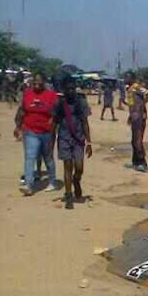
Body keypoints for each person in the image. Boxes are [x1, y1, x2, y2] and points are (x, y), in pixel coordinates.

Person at [14, 71, 58, 195]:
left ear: (44, 82)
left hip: (46, 132)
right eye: (35, 80)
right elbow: (22, 111)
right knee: (30, 157)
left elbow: (55, 114)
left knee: (48, 158)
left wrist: (52, 124)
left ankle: (52, 181)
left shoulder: (51, 95)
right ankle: (28, 185)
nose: (37, 83)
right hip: (30, 130)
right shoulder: (27, 94)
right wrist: (17, 126)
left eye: (39, 80)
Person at [51, 76, 92, 210]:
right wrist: (51, 142)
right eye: (67, 89)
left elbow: (85, 122)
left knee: (79, 167)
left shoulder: (81, 102)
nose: (70, 91)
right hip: (64, 138)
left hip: (79, 140)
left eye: (72, 88)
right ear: (63, 89)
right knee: (67, 166)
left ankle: (76, 180)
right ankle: (68, 196)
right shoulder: (59, 104)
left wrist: (89, 143)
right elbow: (54, 122)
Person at [125, 72, 148, 173]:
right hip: (134, 116)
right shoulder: (130, 89)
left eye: (126, 78)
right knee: (134, 140)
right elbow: (132, 104)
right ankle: (135, 161)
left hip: (139, 117)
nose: (125, 80)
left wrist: (143, 104)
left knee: (138, 140)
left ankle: (142, 163)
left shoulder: (136, 87)